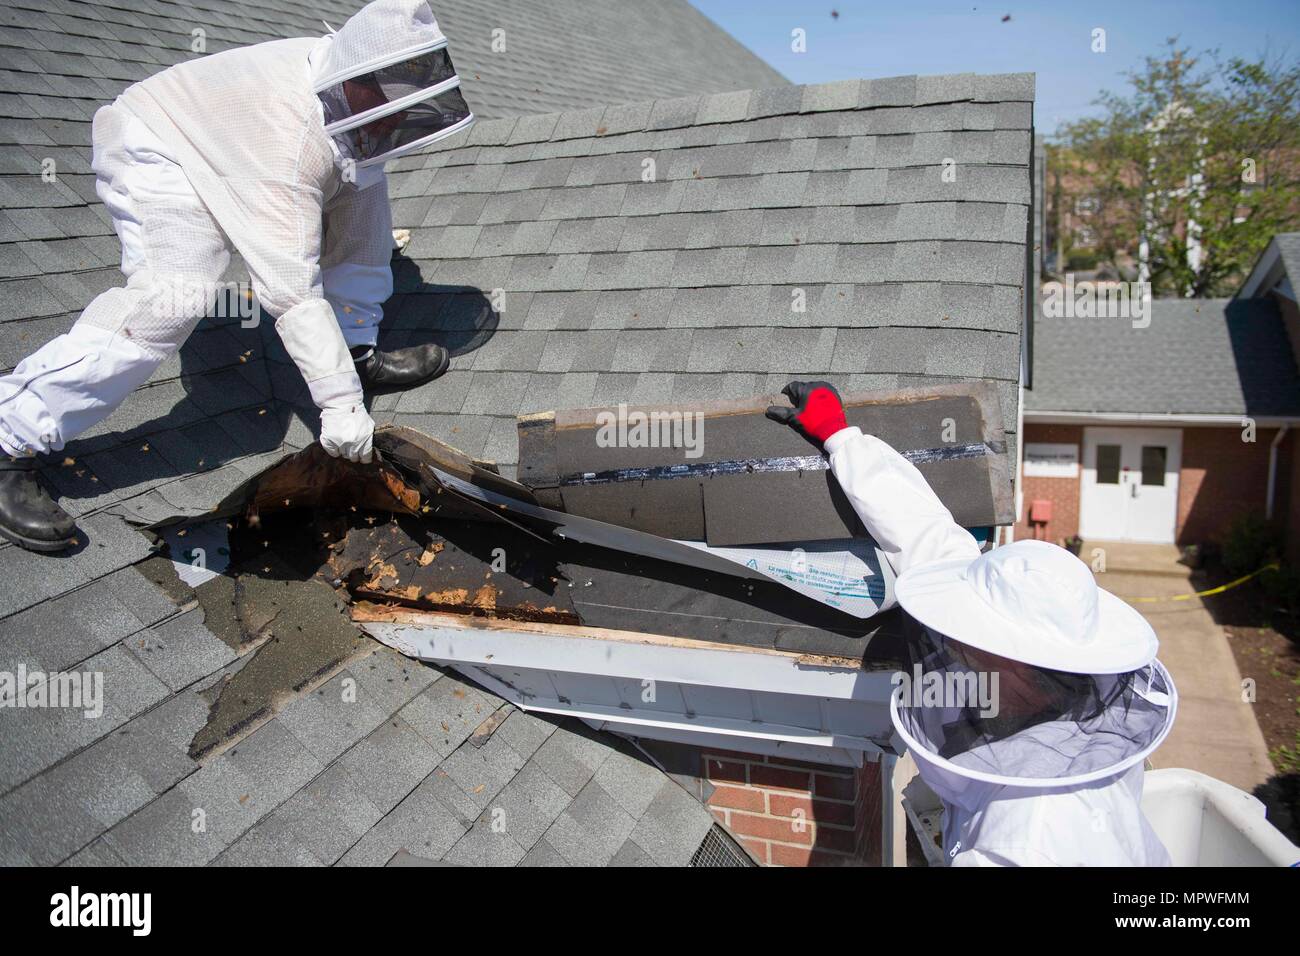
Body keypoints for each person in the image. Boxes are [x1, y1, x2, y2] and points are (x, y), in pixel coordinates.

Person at [0, 0, 474, 552]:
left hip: (247, 135)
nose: (396, 117)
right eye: (387, 104)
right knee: (174, 296)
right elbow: (291, 292)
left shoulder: (351, 97)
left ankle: (356, 352)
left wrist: (343, 371)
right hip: (157, 142)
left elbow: (351, 225)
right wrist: (340, 409)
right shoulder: (288, 142)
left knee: (366, 225)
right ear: (360, 82)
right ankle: (14, 430)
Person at [767, 381, 1178, 866]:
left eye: (974, 642)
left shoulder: (1029, 840)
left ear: (1023, 667)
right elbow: (933, 541)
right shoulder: (1066, 701)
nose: (957, 648)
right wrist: (842, 438)